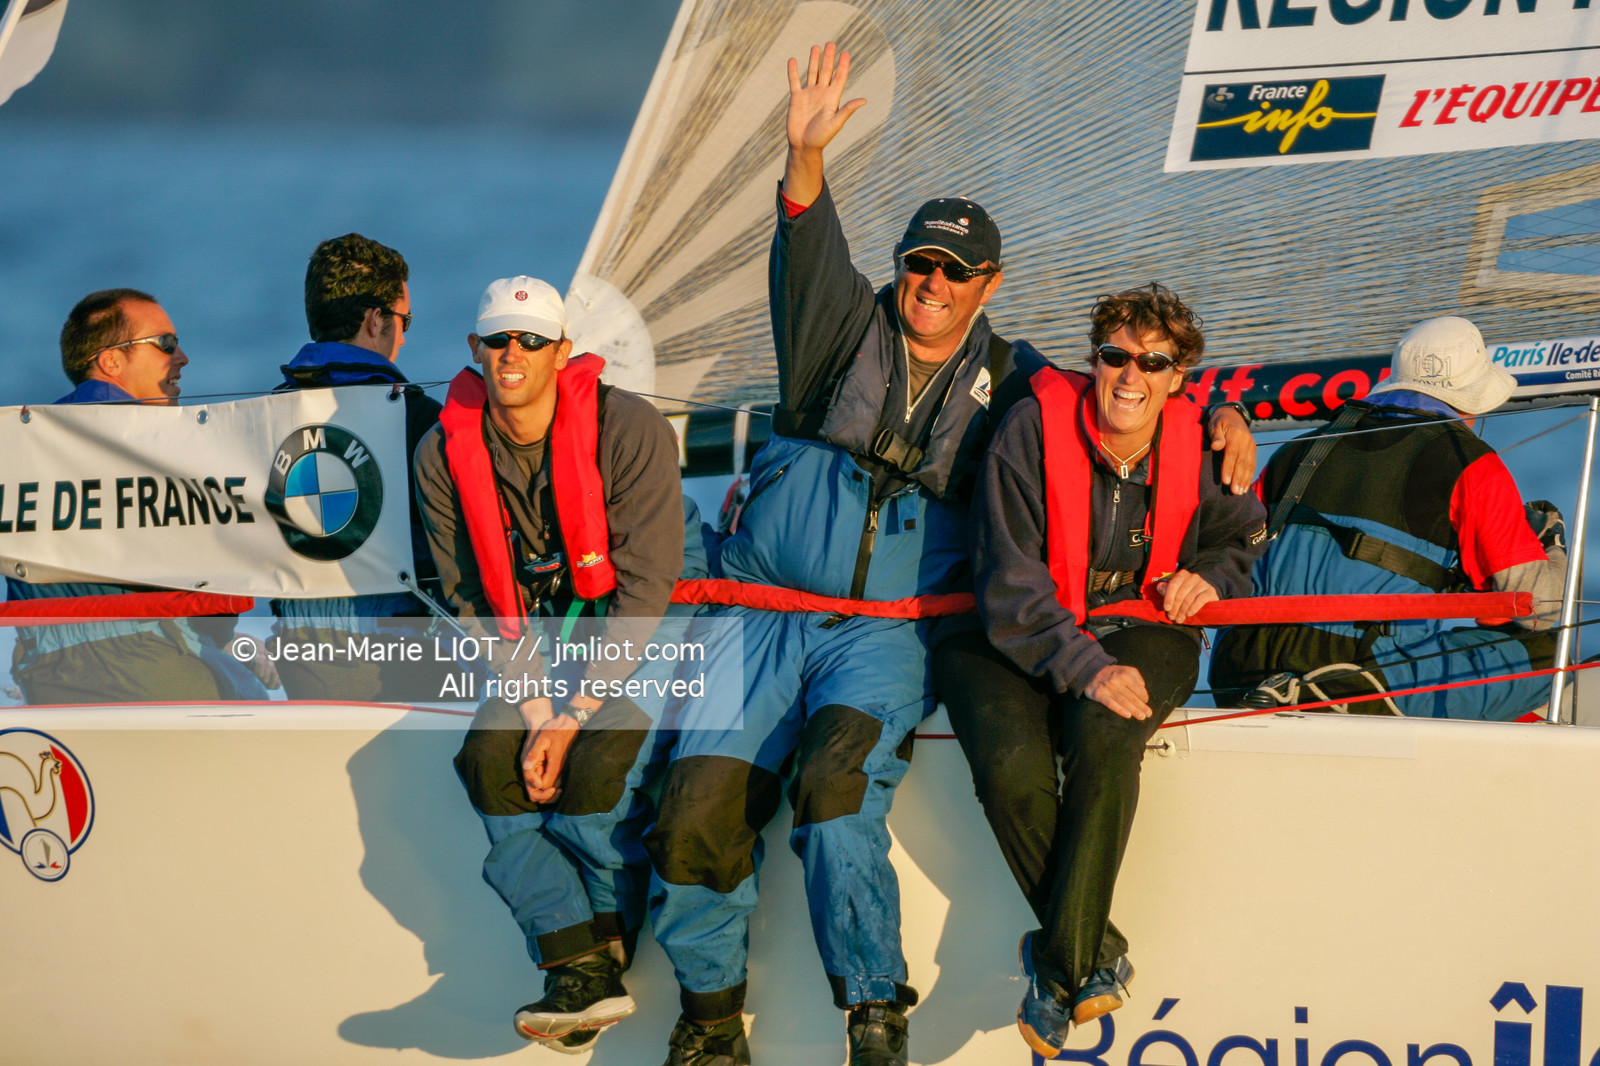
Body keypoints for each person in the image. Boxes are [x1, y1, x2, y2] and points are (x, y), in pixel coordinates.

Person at [643, 46, 1255, 1066]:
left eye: (954, 272)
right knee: (696, 803)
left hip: (886, 634)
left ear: (988, 285)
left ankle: (875, 1015)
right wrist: (802, 161)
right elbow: (806, 252)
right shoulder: (838, 335)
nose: (930, 284)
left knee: (836, 799)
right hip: (757, 615)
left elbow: (1125, 396)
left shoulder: (1018, 381)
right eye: (918, 264)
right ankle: (709, 1023)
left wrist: (1221, 408)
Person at [933, 283, 1267, 1058]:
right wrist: (1082, 664)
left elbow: (1245, 535)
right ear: (1093, 360)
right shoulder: (1031, 429)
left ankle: (1056, 969)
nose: (1129, 375)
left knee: (1106, 735)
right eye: (1114, 355)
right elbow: (1010, 581)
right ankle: (1092, 954)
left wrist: (1213, 573)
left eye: (1152, 363)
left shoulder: (1204, 442)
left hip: (1142, 620)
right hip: (1018, 626)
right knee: (1012, 767)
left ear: (1179, 377)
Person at [413, 276, 702, 1054]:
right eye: (498, 340)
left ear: (562, 352)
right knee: (486, 762)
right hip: (540, 635)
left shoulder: (630, 428)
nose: (513, 354)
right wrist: (538, 707)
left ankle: (603, 961)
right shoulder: (443, 452)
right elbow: (467, 591)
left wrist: (572, 718)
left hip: (648, 615)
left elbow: (647, 585)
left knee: (594, 782)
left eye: (531, 341)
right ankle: (579, 964)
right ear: (474, 350)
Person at [1210, 315, 1567, 720]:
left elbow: (1232, 549)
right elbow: (1541, 608)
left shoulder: (1295, 450)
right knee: (1551, 653)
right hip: (1357, 679)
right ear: (1473, 399)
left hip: (1238, 669)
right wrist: (1552, 547)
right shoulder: (1472, 464)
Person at [7, 289, 272, 703]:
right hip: (158, 672)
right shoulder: (172, 448)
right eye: (166, 344)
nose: (182, 357)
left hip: (46, 675)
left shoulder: (17, 448)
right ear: (111, 360)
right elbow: (214, 599)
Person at [269, 233, 447, 702]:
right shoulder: (420, 418)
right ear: (375, 320)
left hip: (299, 650)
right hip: (401, 656)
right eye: (404, 320)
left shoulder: (264, 415)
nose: (404, 337)